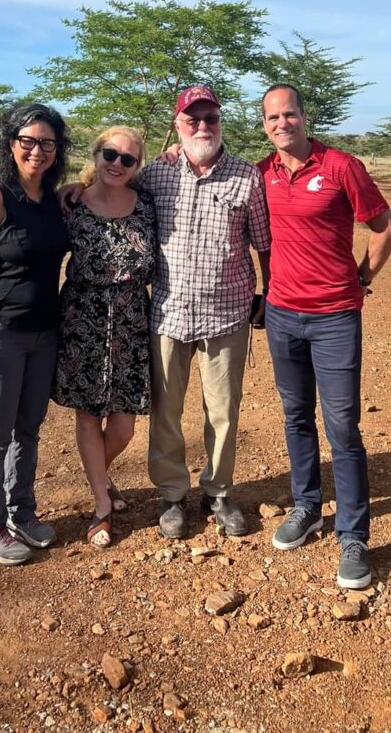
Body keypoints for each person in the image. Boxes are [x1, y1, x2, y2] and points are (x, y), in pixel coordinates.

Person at [258, 84, 391, 589]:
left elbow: (386, 228)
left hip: (336, 315)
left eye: (289, 113)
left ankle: (353, 535)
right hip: (281, 315)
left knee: (342, 426)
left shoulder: (340, 166)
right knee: (295, 415)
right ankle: (306, 507)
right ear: (265, 124)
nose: (282, 123)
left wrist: (363, 278)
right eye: (273, 117)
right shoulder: (262, 173)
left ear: (303, 116)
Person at [140, 86, 271, 539]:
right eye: (192, 120)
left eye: (210, 119)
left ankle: (217, 491)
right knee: (166, 409)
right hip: (168, 313)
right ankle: (172, 494)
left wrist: (269, 292)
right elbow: (112, 195)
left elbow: (265, 243)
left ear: (220, 123)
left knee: (223, 411)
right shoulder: (156, 174)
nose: (202, 127)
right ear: (177, 126)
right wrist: (77, 188)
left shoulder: (246, 176)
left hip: (228, 314)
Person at [0, 103, 70, 566]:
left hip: (45, 331)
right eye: (28, 141)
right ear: (11, 144)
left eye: (47, 142)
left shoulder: (52, 199)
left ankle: (22, 511)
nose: (37, 151)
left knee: (29, 428)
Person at [52, 127, 156, 548]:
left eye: (127, 159)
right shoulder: (71, 205)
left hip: (132, 319)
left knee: (125, 427)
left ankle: (98, 474)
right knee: (89, 415)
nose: (117, 163)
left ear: (136, 168)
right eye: (110, 154)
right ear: (95, 155)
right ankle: (101, 503)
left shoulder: (147, 205)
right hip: (82, 319)